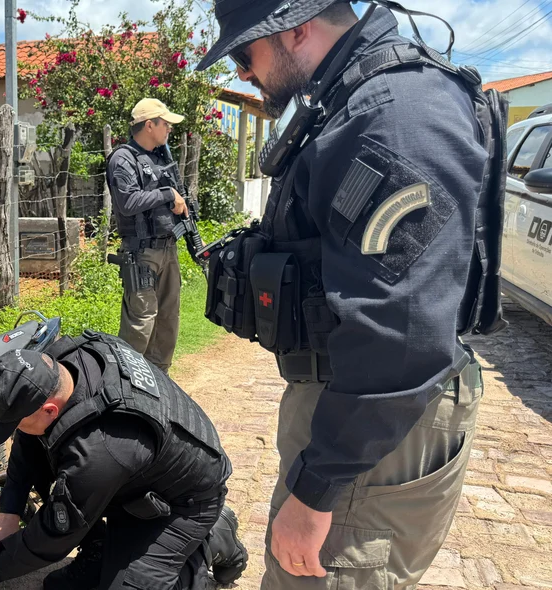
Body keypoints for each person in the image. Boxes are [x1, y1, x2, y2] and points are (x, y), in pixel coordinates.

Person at [196, 0, 506, 588]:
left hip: (370, 430)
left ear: (296, 27)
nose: (240, 71)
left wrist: (317, 491)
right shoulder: (352, 99)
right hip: (356, 419)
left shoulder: (395, 113)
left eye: (244, 51)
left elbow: (400, 333)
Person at [0, 335, 249, 590]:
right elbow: (29, 442)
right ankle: (99, 552)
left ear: (50, 409)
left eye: (15, 423)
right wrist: (9, 511)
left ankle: (212, 537)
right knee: (45, 452)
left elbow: (52, 538)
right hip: (136, 476)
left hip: (184, 501)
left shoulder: (99, 451)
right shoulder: (57, 365)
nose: (14, 431)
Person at [105, 98, 189, 374]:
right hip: (142, 253)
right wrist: (168, 195)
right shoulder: (123, 159)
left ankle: (160, 386)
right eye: (165, 124)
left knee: (167, 322)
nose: (169, 130)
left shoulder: (160, 157)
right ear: (149, 125)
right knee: (140, 325)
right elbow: (128, 202)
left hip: (167, 249)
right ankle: (124, 384)